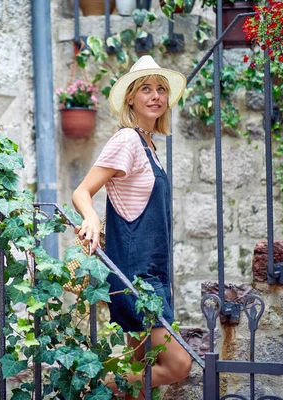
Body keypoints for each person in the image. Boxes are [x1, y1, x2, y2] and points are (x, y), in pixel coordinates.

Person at [72, 55, 192, 399]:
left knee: (142, 374)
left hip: (153, 273)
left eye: (161, 90)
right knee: (177, 364)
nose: (155, 96)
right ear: (130, 98)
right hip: (135, 276)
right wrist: (92, 218)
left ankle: (105, 388)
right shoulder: (127, 140)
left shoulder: (148, 145)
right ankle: (89, 387)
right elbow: (83, 190)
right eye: (145, 89)